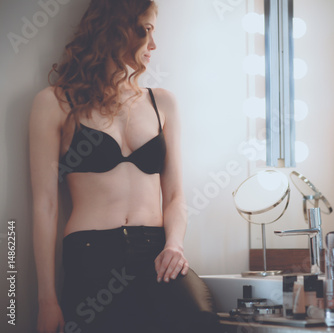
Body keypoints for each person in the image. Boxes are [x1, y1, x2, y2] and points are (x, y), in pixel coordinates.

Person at [29, 1, 218, 332]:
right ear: (115, 29)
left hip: (157, 254)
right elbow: (45, 206)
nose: (154, 45)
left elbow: (175, 197)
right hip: (90, 256)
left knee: (200, 319)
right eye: (146, 31)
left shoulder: (163, 103)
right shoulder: (55, 102)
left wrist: (174, 244)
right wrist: (47, 300)